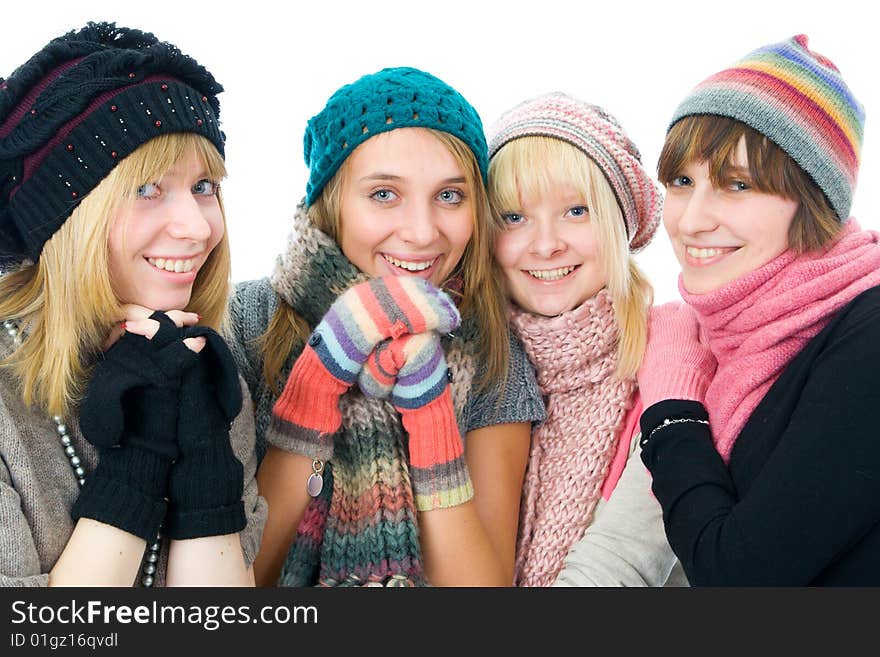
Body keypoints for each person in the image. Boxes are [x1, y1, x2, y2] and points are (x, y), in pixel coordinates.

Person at [229, 66, 545, 587]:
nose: (421, 233)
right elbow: (227, 585)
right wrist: (316, 387)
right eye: (383, 194)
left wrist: (430, 415)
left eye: (450, 196)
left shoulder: (493, 351)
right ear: (331, 204)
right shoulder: (248, 319)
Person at [0, 22, 265, 586]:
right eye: (148, 189)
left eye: (204, 187)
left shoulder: (204, 371)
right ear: (68, 218)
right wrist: (138, 456)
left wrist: (197, 439)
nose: (197, 227)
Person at [637, 35, 880, 585]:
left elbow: (738, 574)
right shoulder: (723, 335)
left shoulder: (867, 338)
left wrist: (672, 407)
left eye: (737, 185)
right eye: (681, 181)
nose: (692, 219)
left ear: (813, 200)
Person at [485, 92, 684, 586]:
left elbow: (624, 567)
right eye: (514, 217)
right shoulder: (465, 365)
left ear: (620, 224)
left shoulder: (671, 361)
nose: (547, 243)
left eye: (576, 211)